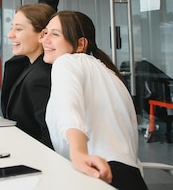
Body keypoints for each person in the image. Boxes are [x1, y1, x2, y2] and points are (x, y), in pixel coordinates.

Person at [42, 11, 148, 190]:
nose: (45, 40)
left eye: (55, 34)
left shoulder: (66, 62)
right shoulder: (109, 73)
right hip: (130, 177)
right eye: (45, 32)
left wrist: (79, 154)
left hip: (98, 173)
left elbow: (68, 109)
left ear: (80, 44)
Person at [1, 0, 73, 148]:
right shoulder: (29, 64)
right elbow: (47, 4)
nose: (11, 35)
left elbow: (49, 142)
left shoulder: (42, 76)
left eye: (18, 29)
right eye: (12, 28)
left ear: (42, 34)